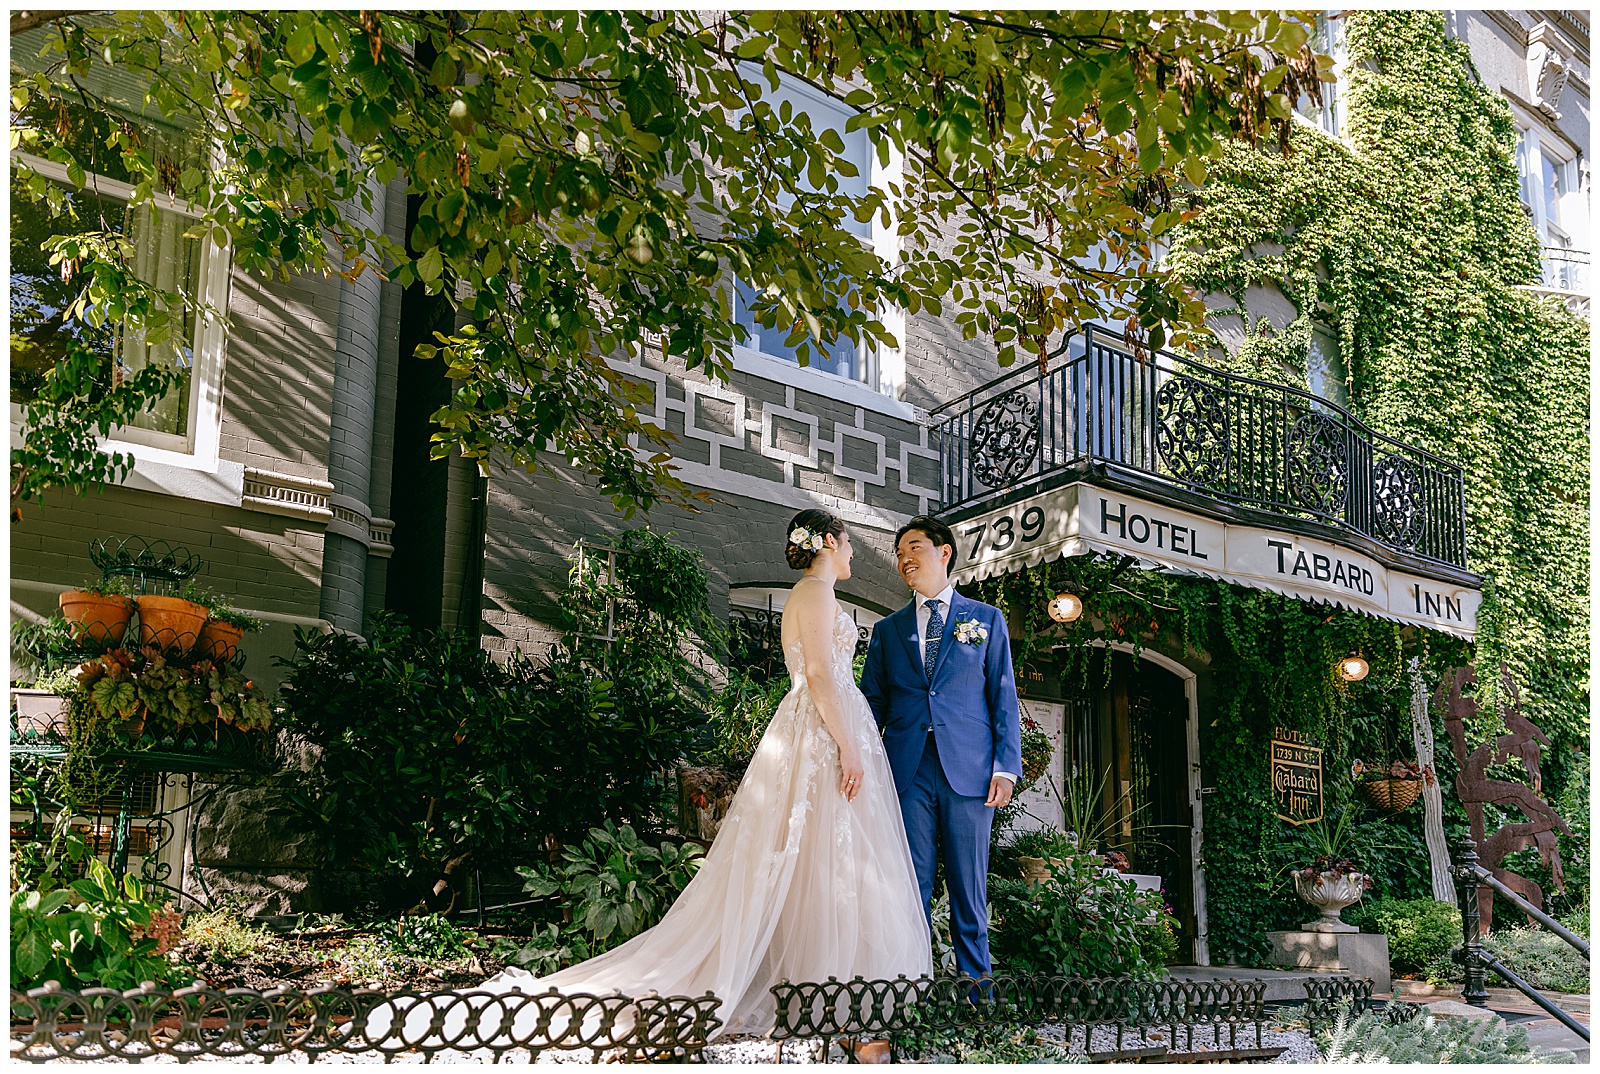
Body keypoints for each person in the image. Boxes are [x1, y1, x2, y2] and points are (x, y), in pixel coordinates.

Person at [482, 508, 932, 1036]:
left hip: (820, 729)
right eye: (850, 543)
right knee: (816, 852)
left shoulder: (817, 593)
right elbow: (817, 674)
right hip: (821, 732)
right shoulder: (814, 592)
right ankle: (819, 989)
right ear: (830, 542)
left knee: (822, 857)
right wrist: (850, 747)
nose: (855, 553)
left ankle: (822, 983)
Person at [860, 515, 1022, 981]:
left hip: (970, 774)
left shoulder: (986, 620)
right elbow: (872, 700)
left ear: (944, 552)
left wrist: (1005, 768)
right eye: (898, 553)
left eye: (913, 547)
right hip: (907, 772)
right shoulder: (889, 631)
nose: (903, 559)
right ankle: (910, 995)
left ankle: (977, 997)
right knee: (911, 887)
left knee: (969, 890)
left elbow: (1002, 697)